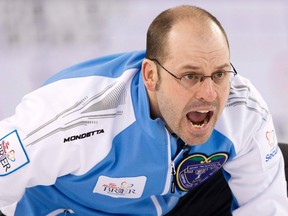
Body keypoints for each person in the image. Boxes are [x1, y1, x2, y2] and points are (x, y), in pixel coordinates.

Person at [0, 5, 287, 216]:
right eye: (191, 76)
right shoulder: (75, 117)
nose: (209, 94)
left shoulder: (243, 110)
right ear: (150, 75)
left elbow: (265, 207)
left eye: (220, 74)